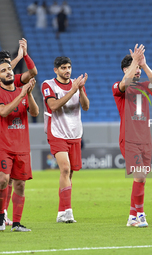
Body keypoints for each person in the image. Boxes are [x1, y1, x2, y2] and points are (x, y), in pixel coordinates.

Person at [0, 38, 38, 227]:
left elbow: (32, 73)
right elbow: (3, 111)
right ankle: (1, 214)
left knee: (19, 184)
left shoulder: (16, 84)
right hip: (0, 139)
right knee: (3, 179)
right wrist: (16, 58)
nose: (9, 70)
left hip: (20, 143)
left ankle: (15, 222)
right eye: (4, 68)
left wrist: (25, 56)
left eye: (10, 67)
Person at [112, 44, 152, 227]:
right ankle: (140, 214)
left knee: (142, 178)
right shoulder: (119, 87)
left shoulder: (143, 87)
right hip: (129, 138)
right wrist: (133, 65)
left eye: (138, 68)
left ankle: (132, 216)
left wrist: (144, 65)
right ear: (125, 69)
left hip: (145, 138)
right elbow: (124, 83)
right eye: (135, 68)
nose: (137, 71)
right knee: (139, 176)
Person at [41, 57, 89, 223]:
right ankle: (68, 211)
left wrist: (81, 90)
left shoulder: (76, 84)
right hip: (57, 132)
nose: (67, 70)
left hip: (74, 133)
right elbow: (53, 106)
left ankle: (61, 212)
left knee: (70, 173)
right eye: (63, 68)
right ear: (56, 70)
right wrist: (72, 90)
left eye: (69, 67)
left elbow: (86, 106)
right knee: (65, 169)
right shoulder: (48, 85)